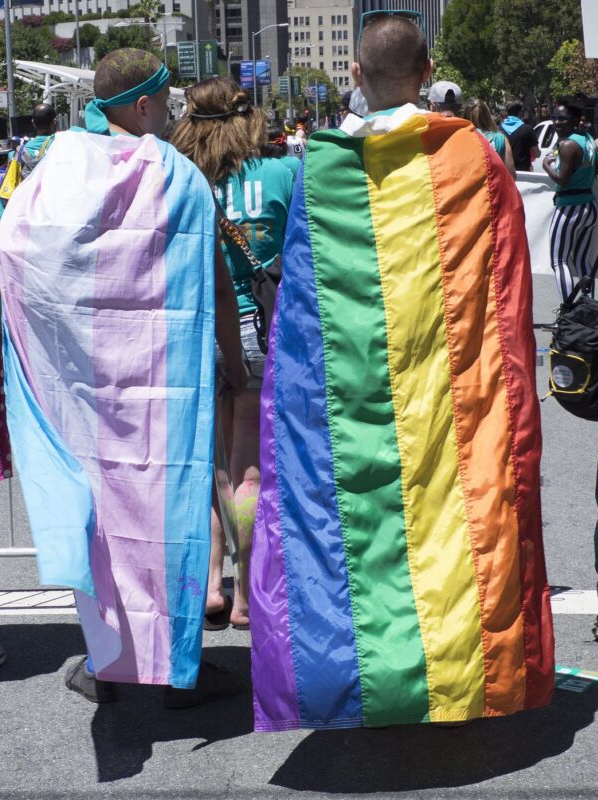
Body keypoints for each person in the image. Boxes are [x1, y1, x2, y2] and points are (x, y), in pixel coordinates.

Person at [249, 13, 554, 731]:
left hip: (351, 400)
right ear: (427, 74)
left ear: (354, 77)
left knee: (360, 528)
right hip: (456, 390)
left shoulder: (318, 166)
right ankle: (464, 669)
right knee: (458, 518)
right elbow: (506, 290)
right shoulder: (475, 157)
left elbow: (301, 311)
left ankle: (358, 676)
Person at [0, 49, 247, 706]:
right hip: (162, 392)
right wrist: (235, 360)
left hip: (81, 395)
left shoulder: (56, 173)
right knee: (169, 522)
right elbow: (214, 283)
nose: (170, 113)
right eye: (165, 101)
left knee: (103, 525)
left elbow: (15, 253)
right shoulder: (180, 179)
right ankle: (171, 669)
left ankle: (109, 658)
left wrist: (44, 356)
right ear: (142, 105)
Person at [171, 78, 294, 631]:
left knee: (211, 463)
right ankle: (246, 593)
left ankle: (211, 589)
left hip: (196, 327)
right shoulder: (281, 174)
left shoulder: (178, 177)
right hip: (257, 327)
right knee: (249, 465)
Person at [542, 96, 598, 301]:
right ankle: (587, 311)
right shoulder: (588, 139)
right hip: (589, 206)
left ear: (576, 119)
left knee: (559, 261)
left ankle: (569, 312)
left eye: (562, 118)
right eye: (555, 117)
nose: (557, 122)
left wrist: (547, 165)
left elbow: (563, 180)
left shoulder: (568, 145)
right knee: (583, 261)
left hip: (569, 208)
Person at [463, 98, 516, 179]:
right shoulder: (500, 139)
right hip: (493, 189)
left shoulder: (459, 137)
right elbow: (511, 175)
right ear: (488, 116)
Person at [500, 100, 540, 172]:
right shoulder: (528, 129)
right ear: (520, 112)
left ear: (507, 112)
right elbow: (537, 153)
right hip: (523, 173)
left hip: (504, 173)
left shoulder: (498, 130)